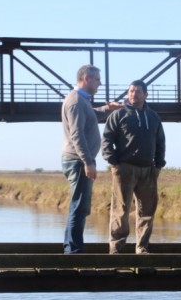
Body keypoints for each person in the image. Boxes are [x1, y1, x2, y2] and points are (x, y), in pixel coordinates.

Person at [61, 64, 121, 254]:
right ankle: (74, 252)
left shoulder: (82, 101)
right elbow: (77, 134)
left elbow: (91, 115)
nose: (100, 84)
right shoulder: (76, 102)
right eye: (97, 80)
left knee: (78, 206)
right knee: (79, 207)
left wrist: (108, 108)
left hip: (78, 160)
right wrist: (87, 162)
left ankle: (71, 248)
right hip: (78, 161)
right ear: (86, 78)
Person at [101, 79, 166, 254]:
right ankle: (116, 249)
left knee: (147, 212)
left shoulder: (153, 117)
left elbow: (160, 141)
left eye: (137, 91)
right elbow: (106, 139)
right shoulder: (118, 115)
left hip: (148, 170)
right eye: (131, 91)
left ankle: (142, 247)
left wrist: (158, 165)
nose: (133, 94)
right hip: (124, 169)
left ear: (145, 94)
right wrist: (113, 162)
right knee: (120, 211)